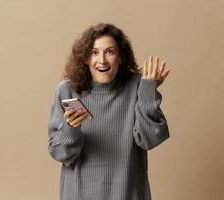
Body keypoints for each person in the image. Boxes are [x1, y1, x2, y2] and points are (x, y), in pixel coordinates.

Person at [47, 23, 170, 200]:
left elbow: (150, 139)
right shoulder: (68, 91)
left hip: (128, 193)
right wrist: (70, 128)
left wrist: (148, 91)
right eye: (94, 52)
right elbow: (59, 153)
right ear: (85, 58)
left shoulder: (137, 86)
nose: (102, 60)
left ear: (121, 57)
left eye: (110, 52)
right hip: (80, 194)